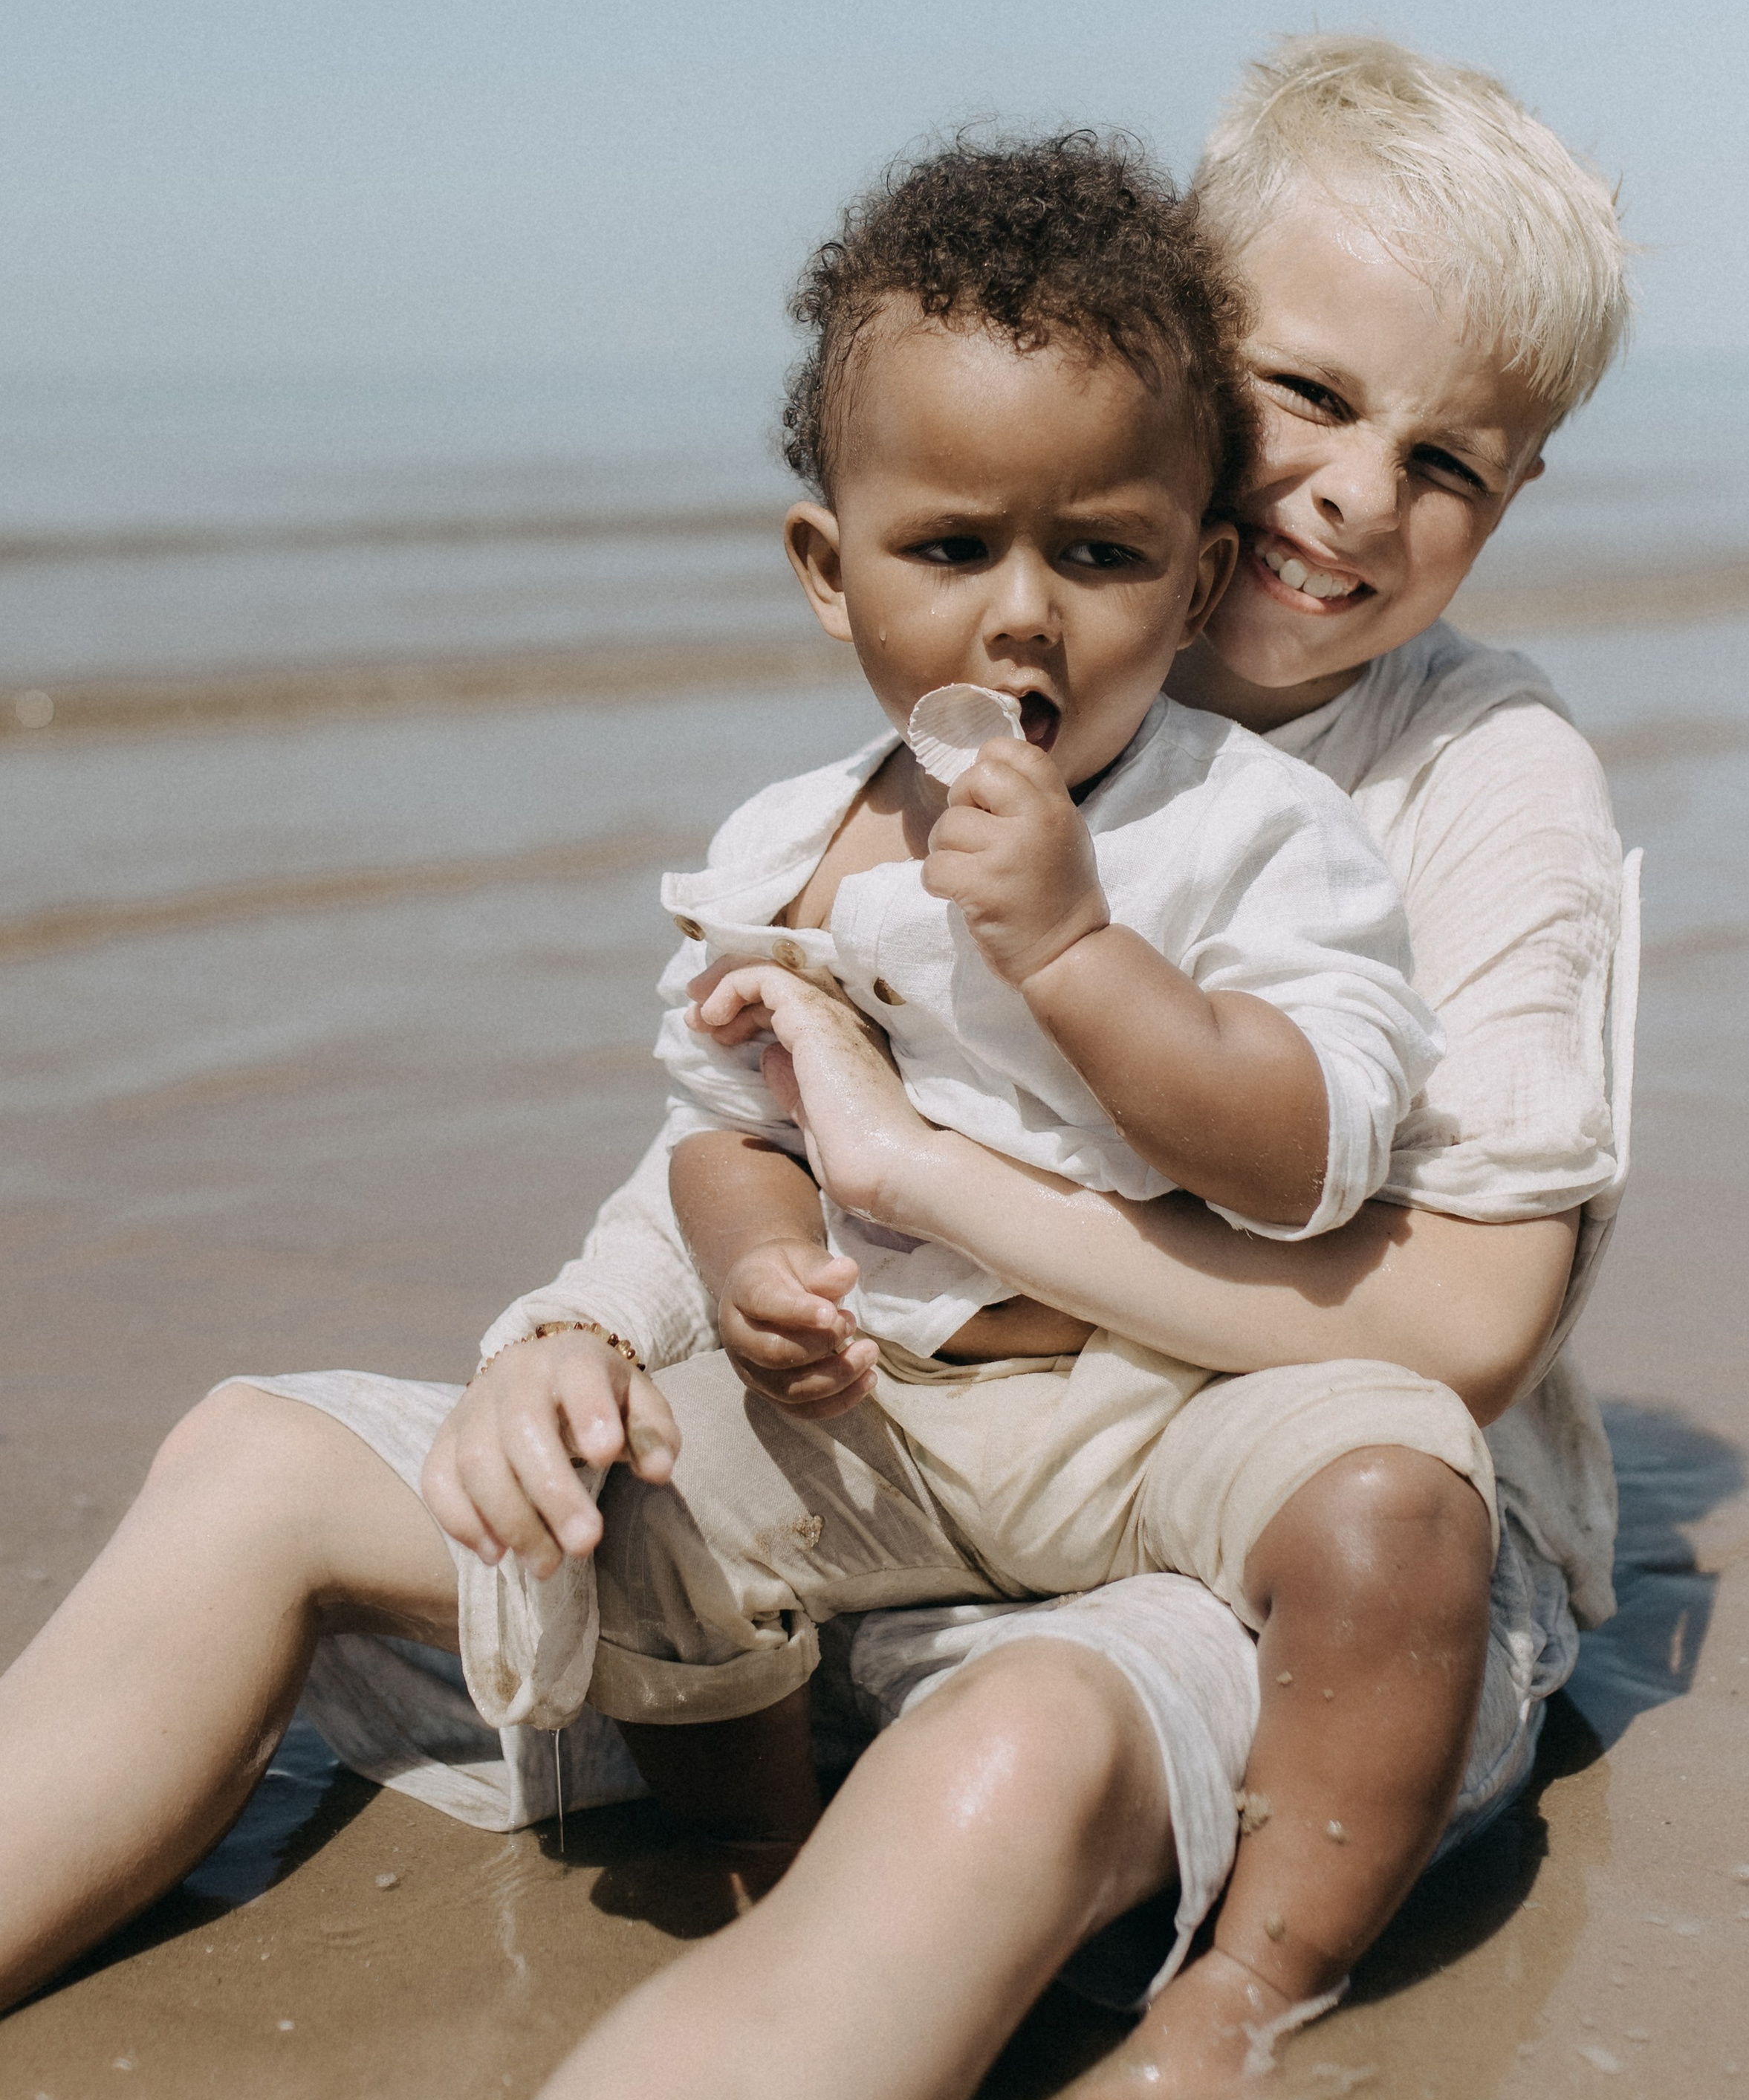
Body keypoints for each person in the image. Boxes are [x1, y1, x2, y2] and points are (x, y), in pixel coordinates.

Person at [0, 34, 1633, 2100]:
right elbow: (753, 1098)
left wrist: (922, 1160)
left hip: (1264, 1564)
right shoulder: (909, 753)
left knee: (1005, 1753)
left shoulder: (1466, 772)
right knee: (258, 1455)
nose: (1350, 497)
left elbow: (1456, 1334)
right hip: (882, 1477)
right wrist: (567, 1336)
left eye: (1444, 460)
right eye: (1299, 396)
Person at [444, 131, 1471, 1977]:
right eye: (947, 547)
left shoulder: (1242, 825)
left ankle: (1261, 1977)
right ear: (829, 573)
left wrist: (1074, 949)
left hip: (1160, 1404)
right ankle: (763, 1857)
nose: (1019, 612)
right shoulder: (784, 850)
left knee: (1394, 1483)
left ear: (1195, 573)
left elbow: (1309, 1148)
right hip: (885, 1423)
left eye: (1096, 554)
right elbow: (721, 1123)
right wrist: (756, 1260)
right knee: (635, 1508)